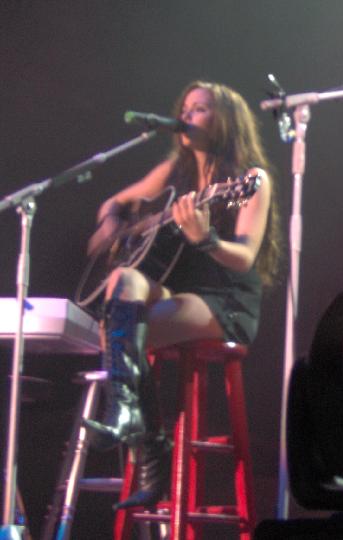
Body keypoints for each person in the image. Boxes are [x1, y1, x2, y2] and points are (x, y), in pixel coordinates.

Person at [82, 80, 281, 509]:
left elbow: (245, 257)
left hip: (224, 299)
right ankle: (141, 432)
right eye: (186, 108)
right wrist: (116, 228)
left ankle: (145, 442)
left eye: (200, 109)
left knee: (120, 330)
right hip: (181, 290)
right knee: (123, 282)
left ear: (225, 119)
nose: (187, 116)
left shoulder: (249, 180)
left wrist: (206, 239)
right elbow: (112, 205)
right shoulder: (174, 172)